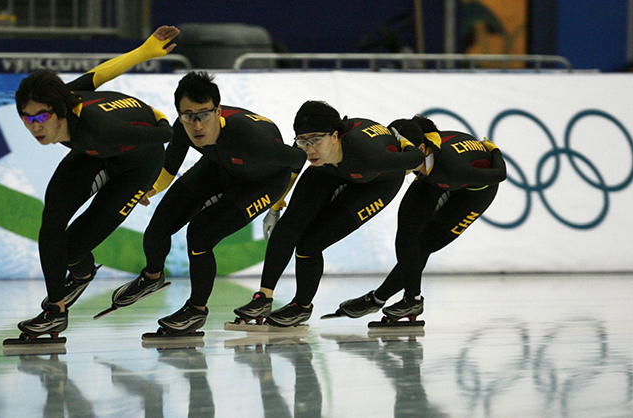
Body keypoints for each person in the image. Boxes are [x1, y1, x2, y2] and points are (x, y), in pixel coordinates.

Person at [109, 71, 307, 335]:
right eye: (188, 116)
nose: (197, 125)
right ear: (179, 114)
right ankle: (152, 277)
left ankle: (196, 310)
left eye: (203, 114)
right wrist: (151, 189)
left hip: (263, 182)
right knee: (159, 225)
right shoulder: (182, 128)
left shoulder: (251, 139)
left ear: (218, 112)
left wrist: (277, 204)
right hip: (218, 166)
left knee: (200, 235)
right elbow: (169, 167)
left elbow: (297, 159)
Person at [13, 26, 180, 339]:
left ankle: (85, 273)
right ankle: (56, 311)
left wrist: (158, 179)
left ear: (59, 112)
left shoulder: (101, 132)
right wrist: (143, 52)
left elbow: (167, 133)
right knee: (51, 226)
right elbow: (99, 75)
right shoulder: (62, 100)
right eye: (26, 118)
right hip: (92, 155)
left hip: (137, 167)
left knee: (73, 246)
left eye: (40, 118)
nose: (34, 127)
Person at [233, 100, 427, 327]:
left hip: (376, 184)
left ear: (335, 136)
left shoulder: (369, 155)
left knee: (310, 244)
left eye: (315, 140)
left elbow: (416, 159)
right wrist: (275, 208)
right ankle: (263, 298)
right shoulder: (311, 149)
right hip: (331, 169)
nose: (309, 149)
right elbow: (295, 168)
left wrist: (402, 141)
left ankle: (301, 307)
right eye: (303, 141)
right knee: (289, 225)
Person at [336, 115, 507, 322]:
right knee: (406, 239)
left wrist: (494, 150)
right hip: (432, 177)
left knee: (424, 244)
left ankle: (410, 301)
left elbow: (499, 174)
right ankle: (381, 300)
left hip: (474, 192)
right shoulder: (422, 156)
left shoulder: (452, 168)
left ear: (422, 148)